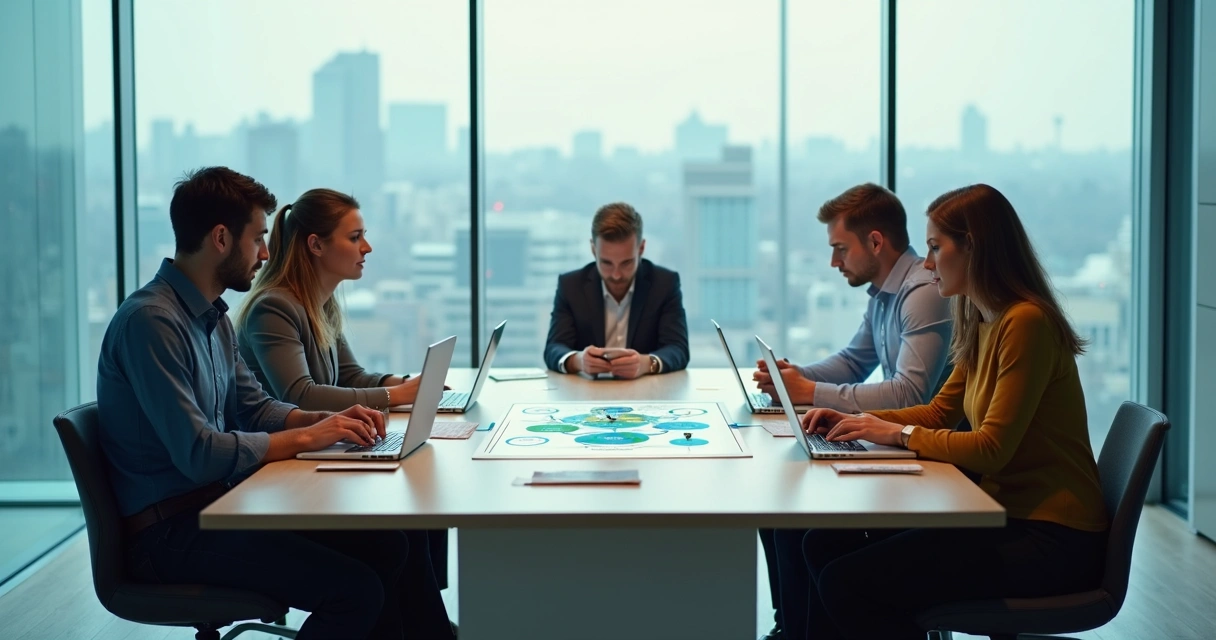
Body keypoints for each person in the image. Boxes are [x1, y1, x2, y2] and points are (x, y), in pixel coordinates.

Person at [97, 167, 454, 640]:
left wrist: (330, 420)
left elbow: (259, 407)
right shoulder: (152, 323)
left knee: (388, 544)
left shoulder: (212, 318)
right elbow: (200, 453)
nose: (266, 253)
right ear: (221, 238)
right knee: (356, 591)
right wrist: (306, 435)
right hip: (168, 534)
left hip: (220, 505)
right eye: (259, 238)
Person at [776, 183, 1109, 640]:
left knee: (846, 582)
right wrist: (856, 421)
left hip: (1050, 538)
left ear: (972, 246)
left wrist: (895, 433)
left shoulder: (1026, 323)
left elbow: (991, 449)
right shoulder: (981, 317)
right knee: (822, 542)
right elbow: (938, 412)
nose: (927, 262)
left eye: (936, 247)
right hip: (999, 512)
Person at [751, 183, 953, 640]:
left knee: (797, 524)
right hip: (901, 446)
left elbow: (909, 394)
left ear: (876, 242)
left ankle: (798, 633)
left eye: (840, 249)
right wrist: (795, 378)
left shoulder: (922, 292)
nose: (834, 261)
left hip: (932, 462)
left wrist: (811, 390)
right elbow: (853, 361)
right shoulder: (884, 293)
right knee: (776, 513)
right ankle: (792, 630)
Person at [234, 186, 449, 591]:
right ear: (315, 244)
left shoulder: (321, 301)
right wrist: (393, 397)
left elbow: (350, 376)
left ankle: (419, 625)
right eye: (354, 237)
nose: (366, 247)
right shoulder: (274, 306)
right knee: (402, 528)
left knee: (421, 520)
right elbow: (301, 395)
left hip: (315, 454)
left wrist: (403, 385)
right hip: (282, 473)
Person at [543, 202, 690, 377]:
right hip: (586, 394)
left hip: (647, 393)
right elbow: (554, 348)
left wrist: (646, 364)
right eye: (606, 263)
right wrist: (579, 361)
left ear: (641, 248)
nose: (617, 274)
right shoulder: (571, 285)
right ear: (593, 249)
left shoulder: (664, 284)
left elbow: (678, 348)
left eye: (627, 263)